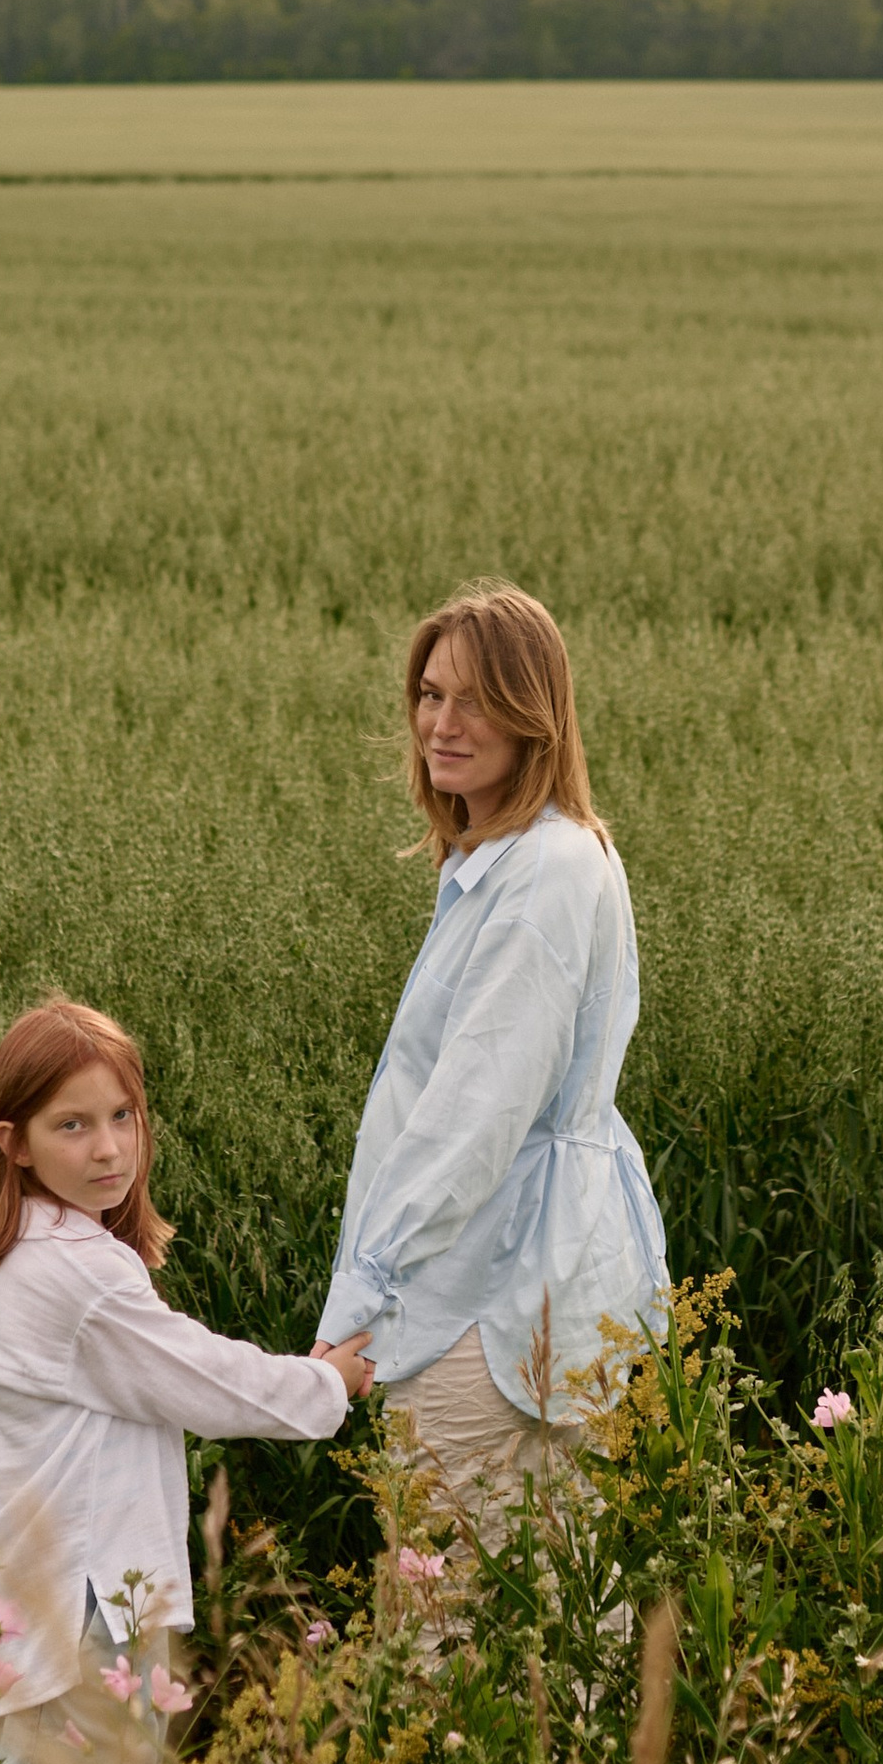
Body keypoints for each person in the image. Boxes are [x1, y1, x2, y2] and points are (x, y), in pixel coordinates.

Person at [0, 994, 373, 1764]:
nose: (107, 1147)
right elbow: (202, 1378)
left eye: (123, 1115)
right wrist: (328, 1384)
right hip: (78, 1612)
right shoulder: (74, 1276)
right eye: (72, 1125)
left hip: (26, 1605)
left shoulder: (29, 1256)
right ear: (12, 1144)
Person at [317, 583, 669, 1542]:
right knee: (532, 1630)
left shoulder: (546, 869)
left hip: (491, 1297)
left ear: (534, 716)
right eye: (431, 694)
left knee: (447, 1635)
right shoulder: (506, 860)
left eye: (474, 700)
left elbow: (474, 1116)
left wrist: (360, 1299)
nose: (442, 722)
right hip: (505, 1286)